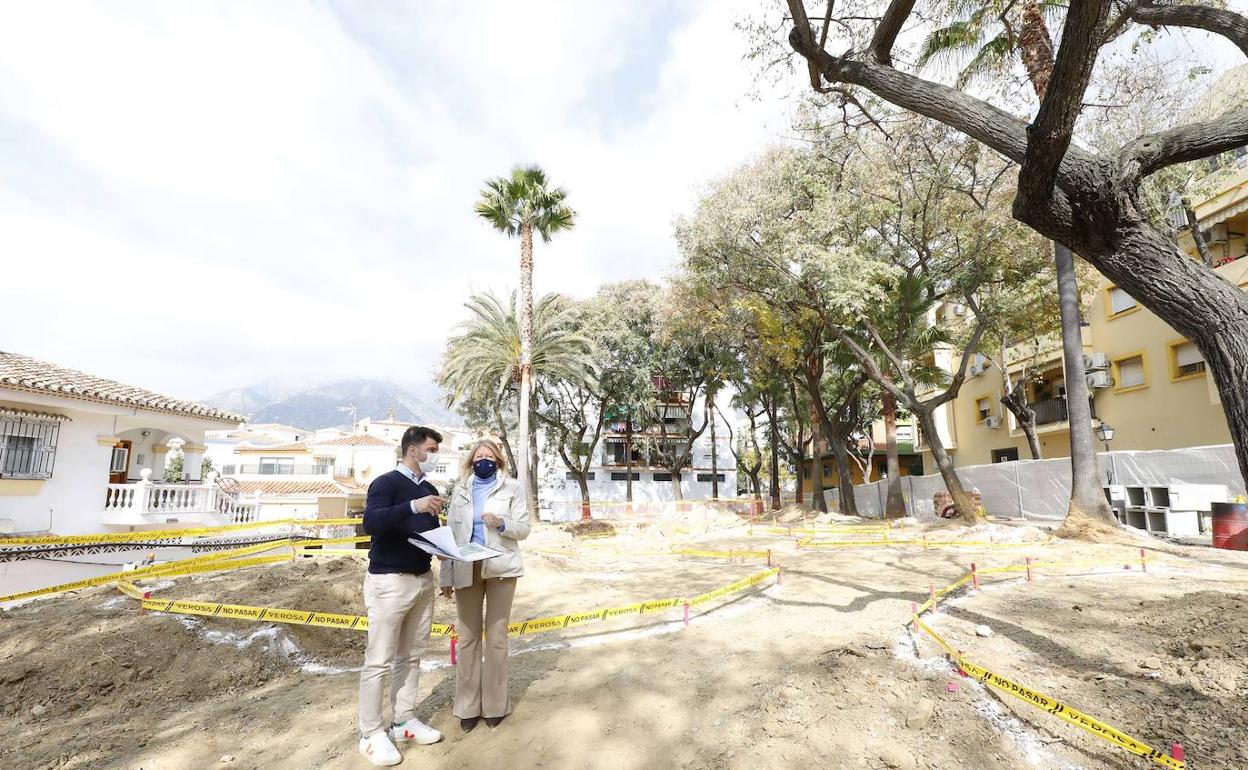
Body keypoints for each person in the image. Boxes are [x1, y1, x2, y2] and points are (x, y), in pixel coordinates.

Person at [357, 425, 447, 766]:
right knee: (379, 659)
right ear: (413, 451)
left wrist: (447, 548)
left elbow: (428, 532)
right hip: (389, 582)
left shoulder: (430, 488)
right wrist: (413, 505)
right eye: (432, 449)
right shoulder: (386, 483)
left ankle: (404, 720)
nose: (435, 455)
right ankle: (370, 733)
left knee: (411, 656)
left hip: (423, 579)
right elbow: (372, 522)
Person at [439, 439, 529, 732]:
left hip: (501, 567)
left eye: (489, 455)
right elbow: (451, 535)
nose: (484, 459)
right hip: (466, 567)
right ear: (471, 461)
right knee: (467, 638)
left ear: (498, 460)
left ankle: (494, 705)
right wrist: (446, 577)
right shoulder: (461, 489)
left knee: (497, 638)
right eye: (479, 456)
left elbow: (524, 528)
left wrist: (502, 523)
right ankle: (467, 706)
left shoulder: (512, 487)